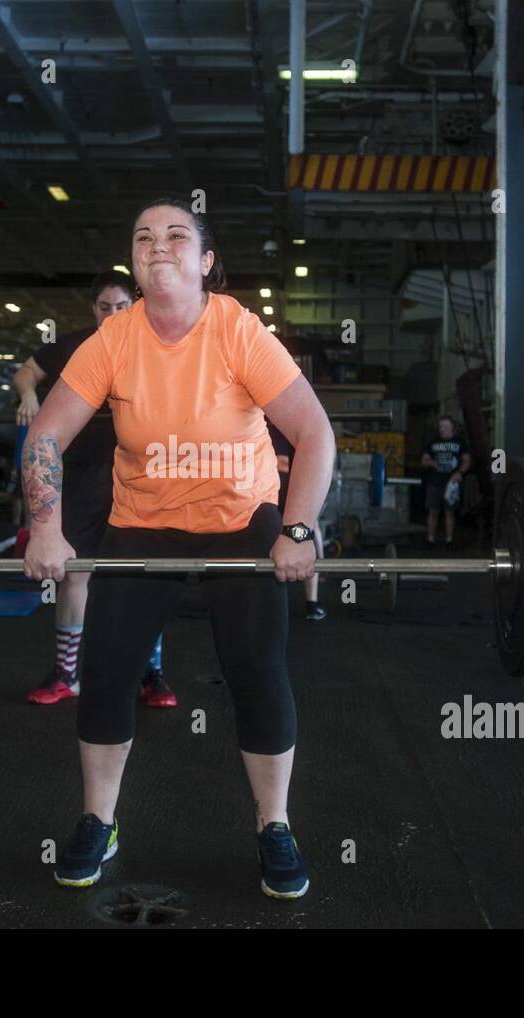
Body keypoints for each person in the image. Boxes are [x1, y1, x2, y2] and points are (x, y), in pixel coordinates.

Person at [22, 197, 335, 899]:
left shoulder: (238, 330)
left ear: (205, 261)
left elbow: (314, 433)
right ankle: (98, 821)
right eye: (143, 237)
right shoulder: (114, 338)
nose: (157, 245)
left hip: (240, 515)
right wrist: (46, 526)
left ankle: (274, 825)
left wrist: (296, 528)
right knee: (106, 670)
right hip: (145, 518)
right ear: (133, 262)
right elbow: (44, 437)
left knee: (256, 670)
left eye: (175, 235)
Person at [13, 273, 174, 708]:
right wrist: (28, 396)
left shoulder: (153, 345)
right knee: (75, 573)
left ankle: (152, 673)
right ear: (94, 309)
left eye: (121, 307)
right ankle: (67, 674)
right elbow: (27, 371)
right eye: (105, 307)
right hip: (82, 475)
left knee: (143, 575)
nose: (113, 315)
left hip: (138, 474)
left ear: (134, 306)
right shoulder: (73, 345)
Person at [268, 420, 326, 620]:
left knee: (306, 534)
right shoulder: (263, 425)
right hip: (271, 498)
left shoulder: (294, 429)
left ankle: (312, 603)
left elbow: (293, 463)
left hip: (293, 501)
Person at [419, 415, 472, 550]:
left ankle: (449, 541)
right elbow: (424, 460)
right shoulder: (433, 442)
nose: (442, 429)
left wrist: (459, 473)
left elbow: (467, 461)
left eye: (445, 426)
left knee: (450, 512)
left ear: (452, 428)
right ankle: (430, 539)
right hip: (435, 482)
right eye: (441, 426)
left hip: (452, 484)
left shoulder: (460, 443)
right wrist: (432, 462)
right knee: (433, 512)